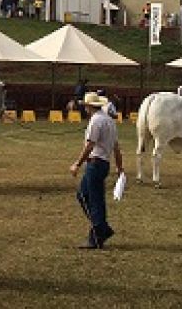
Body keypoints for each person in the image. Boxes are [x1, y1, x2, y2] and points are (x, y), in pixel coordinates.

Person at [69, 92, 123, 250]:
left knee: (92, 199)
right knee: (86, 196)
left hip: (95, 163)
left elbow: (90, 145)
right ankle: (101, 228)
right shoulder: (110, 121)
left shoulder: (96, 121)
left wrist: (77, 164)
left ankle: (99, 231)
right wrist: (120, 168)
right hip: (103, 163)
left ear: (88, 107)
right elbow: (117, 148)